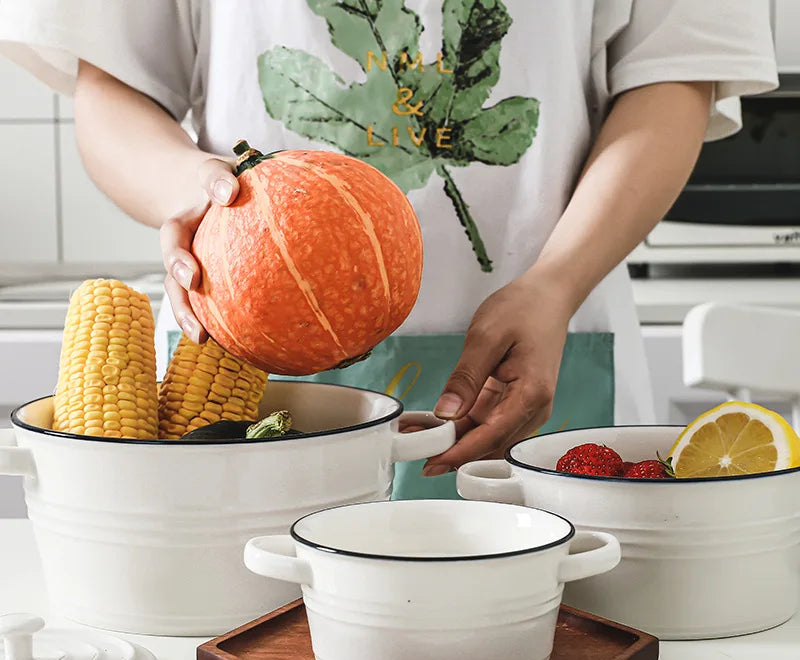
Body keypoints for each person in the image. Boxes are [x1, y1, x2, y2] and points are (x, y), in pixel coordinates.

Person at [0, 1, 778, 498]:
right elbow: (114, 83)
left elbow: (674, 79)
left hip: (552, 337)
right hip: (243, 361)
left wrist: (557, 284)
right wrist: (193, 186)